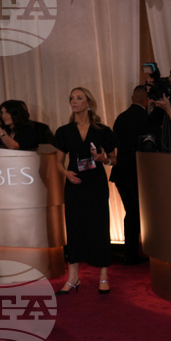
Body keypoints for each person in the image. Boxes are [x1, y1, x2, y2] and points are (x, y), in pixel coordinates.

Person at [53, 87, 118, 295]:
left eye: (79, 98)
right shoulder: (64, 131)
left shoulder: (103, 131)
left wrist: (103, 159)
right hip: (74, 184)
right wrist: (66, 173)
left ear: (89, 103)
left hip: (96, 183)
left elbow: (114, 158)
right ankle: (73, 278)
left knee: (100, 225)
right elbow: (57, 162)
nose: (74, 101)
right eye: (71, 98)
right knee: (74, 226)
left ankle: (104, 276)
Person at [111, 85, 152, 264]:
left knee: (131, 212)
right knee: (140, 213)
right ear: (147, 100)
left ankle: (130, 252)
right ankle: (138, 252)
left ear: (131, 98)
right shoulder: (146, 118)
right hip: (138, 172)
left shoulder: (120, 118)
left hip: (120, 172)